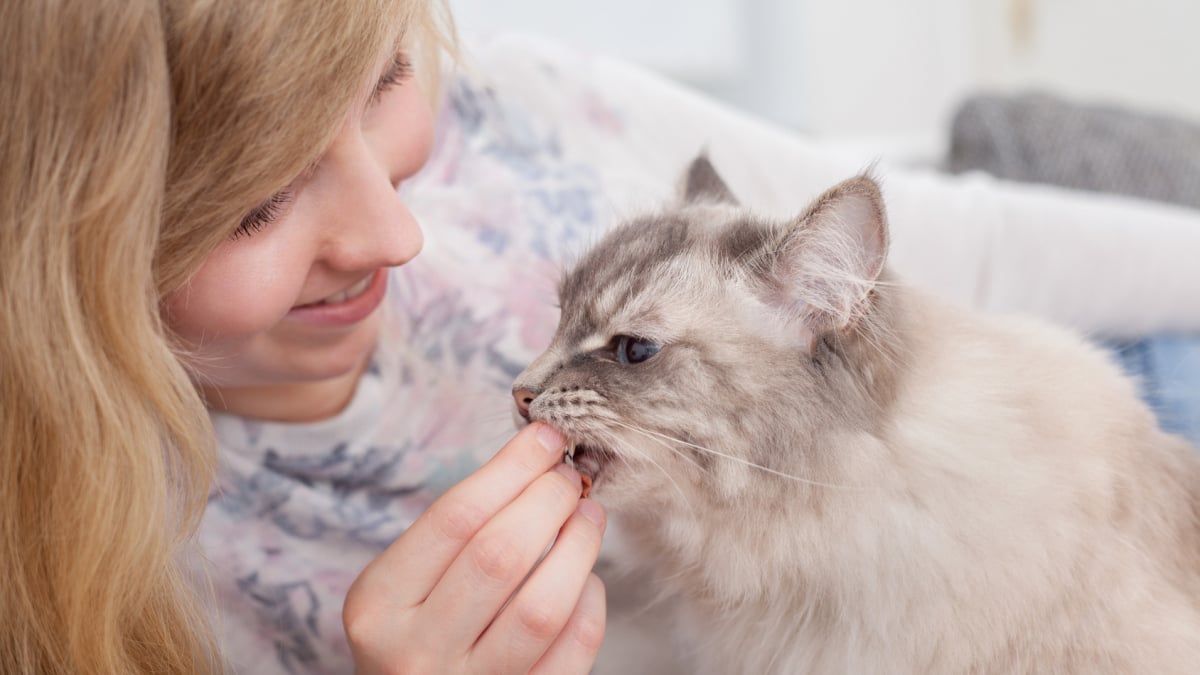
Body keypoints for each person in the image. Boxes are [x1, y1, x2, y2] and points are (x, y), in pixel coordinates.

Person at [1, 1, 606, 673]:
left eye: (385, 79)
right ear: (49, 266)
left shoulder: (546, 110)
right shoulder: (116, 612)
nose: (398, 236)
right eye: (257, 205)